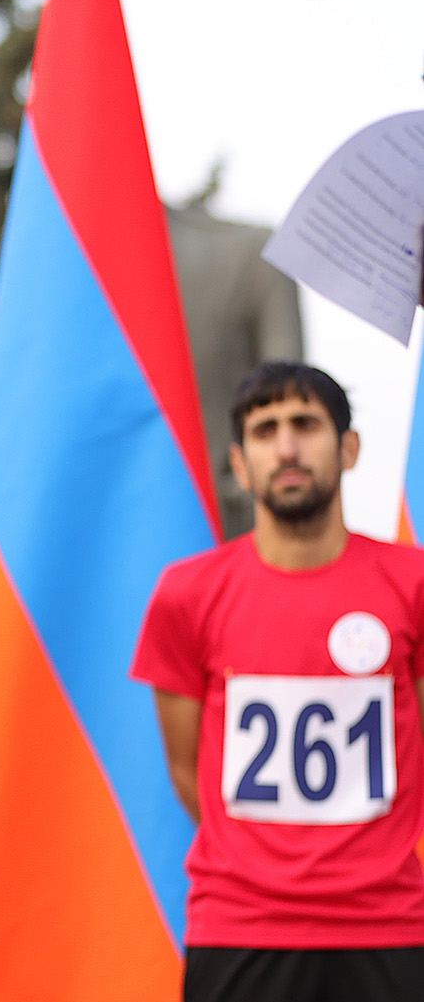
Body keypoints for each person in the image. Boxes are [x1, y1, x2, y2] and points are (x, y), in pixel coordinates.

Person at [132, 362, 424, 1002]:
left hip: (390, 927)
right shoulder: (186, 595)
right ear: (240, 464)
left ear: (349, 448)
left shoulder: (414, 586)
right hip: (240, 930)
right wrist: (269, 864)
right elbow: (188, 771)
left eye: (305, 425)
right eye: (265, 431)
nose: (287, 447)